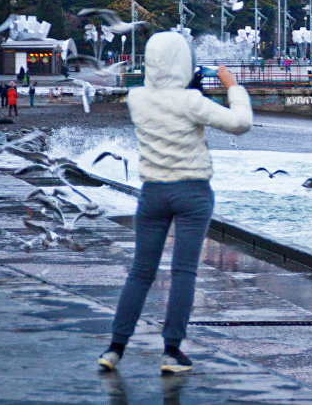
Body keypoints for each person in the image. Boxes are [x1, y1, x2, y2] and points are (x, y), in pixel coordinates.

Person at [98, 32, 252, 375]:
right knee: (184, 272)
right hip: (192, 194)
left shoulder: (136, 98)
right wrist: (232, 87)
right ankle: (171, 352)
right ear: (185, 62)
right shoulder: (191, 103)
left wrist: (189, 89)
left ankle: (114, 348)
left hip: (152, 193)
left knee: (140, 272)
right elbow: (240, 123)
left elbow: (169, 104)